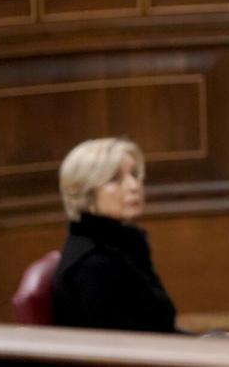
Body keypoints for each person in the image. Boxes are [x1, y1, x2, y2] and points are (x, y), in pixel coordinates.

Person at [53, 137, 179, 333]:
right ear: (86, 194)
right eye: (115, 179)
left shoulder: (123, 241)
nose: (134, 186)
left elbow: (160, 324)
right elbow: (126, 344)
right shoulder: (92, 264)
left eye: (134, 174)